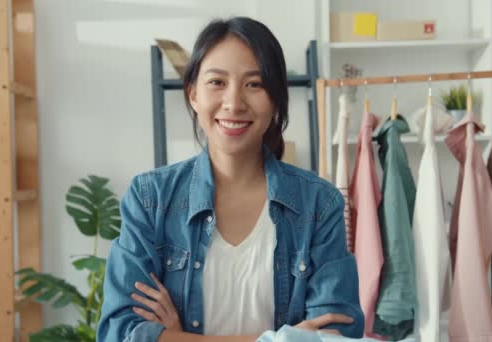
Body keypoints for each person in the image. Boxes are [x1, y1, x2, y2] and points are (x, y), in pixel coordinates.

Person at [97, 16, 364, 342]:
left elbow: (336, 335)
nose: (234, 103)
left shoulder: (320, 204)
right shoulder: (151, 198)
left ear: (276, 99)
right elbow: (119, 333)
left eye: (255, 84)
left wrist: (174, 337)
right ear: (193, 94)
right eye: (217, 82)